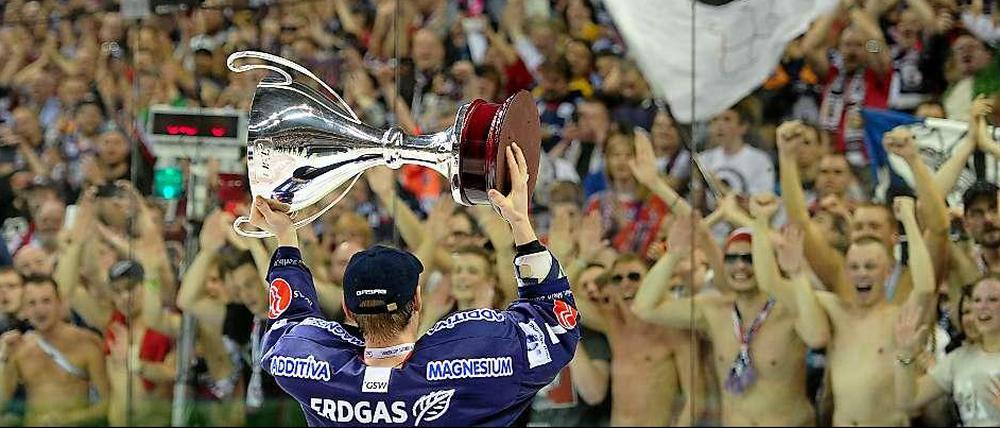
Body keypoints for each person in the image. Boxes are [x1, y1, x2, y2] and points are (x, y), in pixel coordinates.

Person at [251, 143, 580, 426]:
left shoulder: (310, 367)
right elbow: (555, 322)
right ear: (418, 300)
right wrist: (520, 223)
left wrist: (285, 236)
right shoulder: (480, 356)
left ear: (348, 311)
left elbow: (287, 324)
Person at [632, 194, 829, 426]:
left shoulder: (789, 307)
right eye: (732, 258)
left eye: (748, 257)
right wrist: (672, 255)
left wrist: (795, 272)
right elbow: (644, 307)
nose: (740, 266)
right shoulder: (715, 311)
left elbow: (817, 337)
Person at [813, 196, 936, 426]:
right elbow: (783, 291)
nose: (862, 274)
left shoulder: (899, 319)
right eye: (854, 267)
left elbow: (925, 286)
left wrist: (908, 219)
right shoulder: (835, 311)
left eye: (870, 267)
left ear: (887, 271)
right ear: (846, 272)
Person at [0, 276, 110, 426]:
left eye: (46, 301)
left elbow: (106, 405)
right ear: (24, 309)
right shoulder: (18, 349)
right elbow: (2, 403)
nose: (39, 310)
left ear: (60, 303)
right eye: (32, 303)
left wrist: (66, 420)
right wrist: (4, 357)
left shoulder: (86, 343)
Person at [895, 276, 1000, 427]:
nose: (983, 306)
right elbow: (908, 401)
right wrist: (905, 354)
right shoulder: (958, 359)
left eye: (993, 299)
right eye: (977, 300)